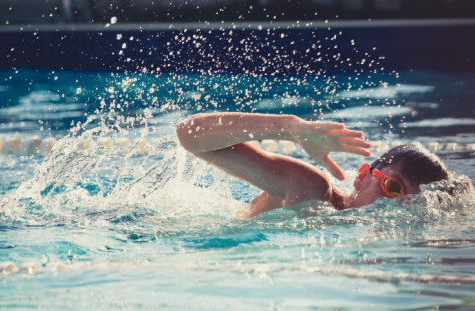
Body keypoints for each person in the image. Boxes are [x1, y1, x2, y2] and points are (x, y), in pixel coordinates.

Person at [176, 112, 449, 218]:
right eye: (392, 187)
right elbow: (190, 135)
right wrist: (289, 127)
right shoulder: (311, 189)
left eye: (411, 204)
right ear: (362, 175)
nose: (394, 208)